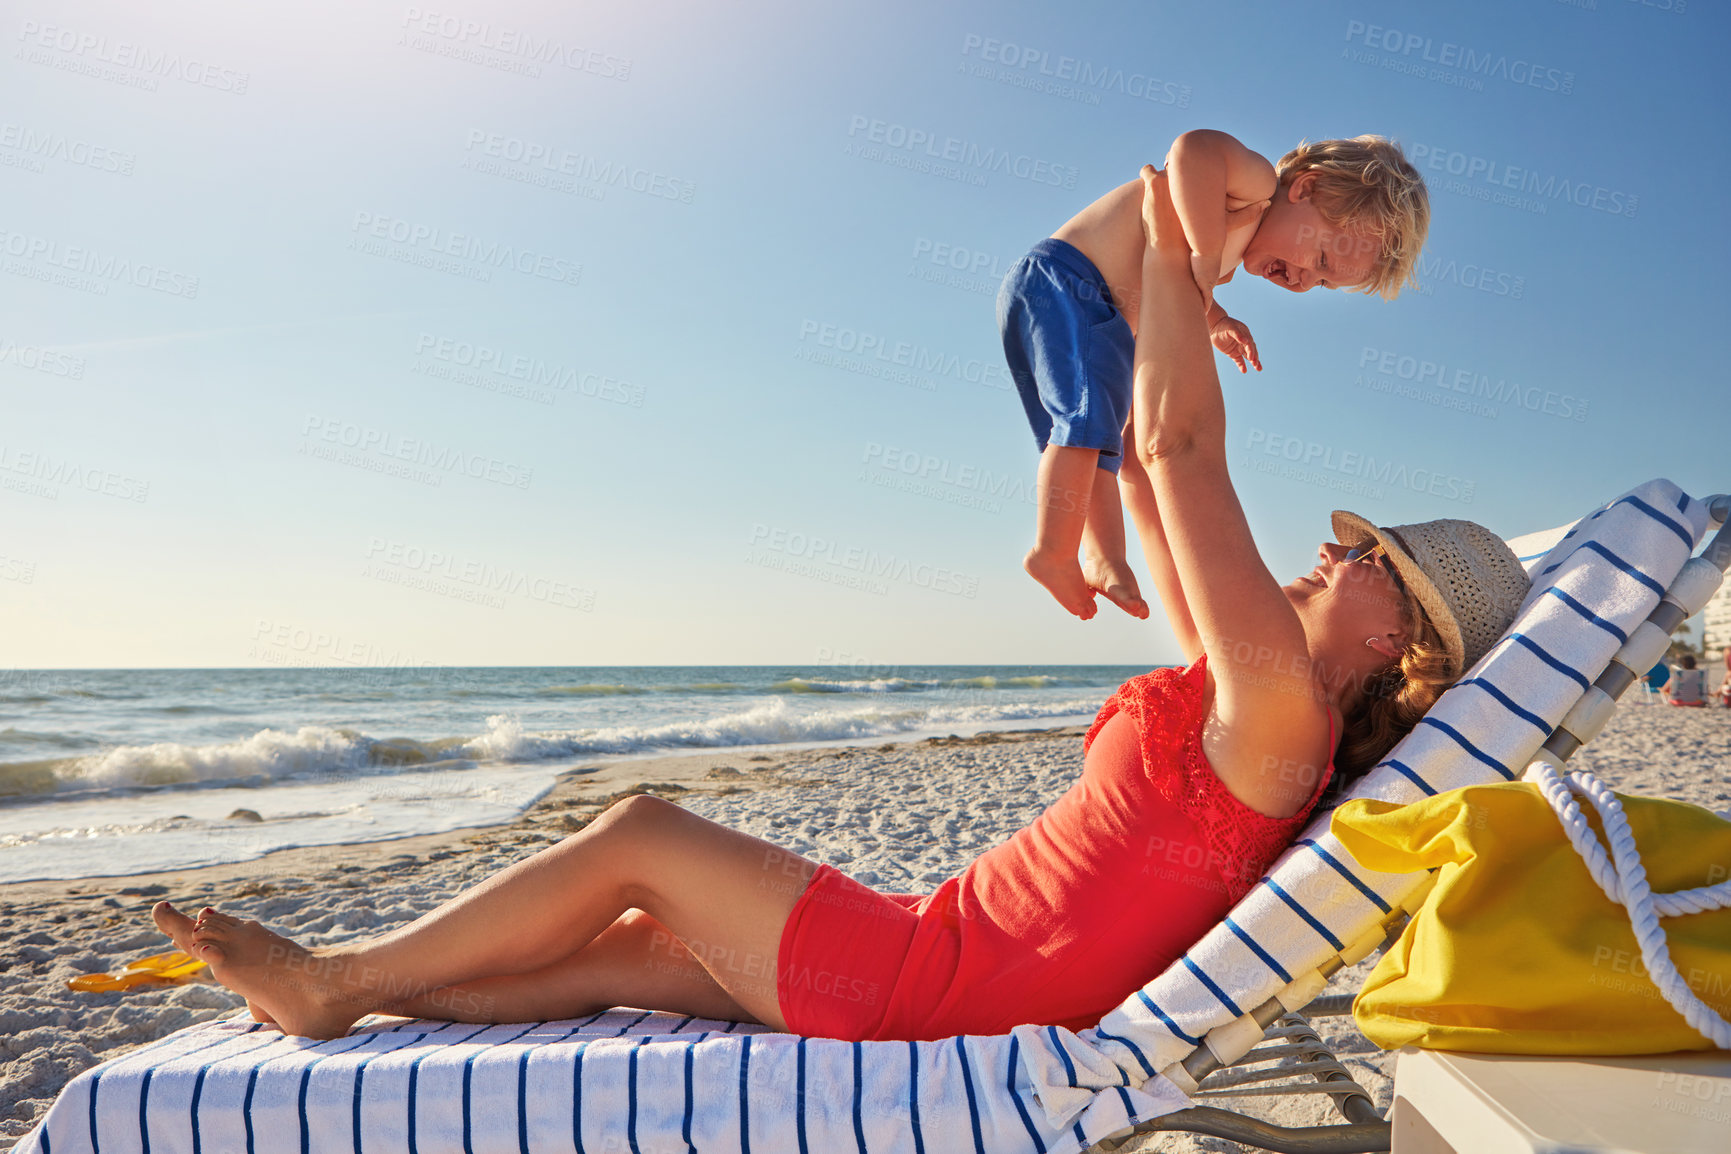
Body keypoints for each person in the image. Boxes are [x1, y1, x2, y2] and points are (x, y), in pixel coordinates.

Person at [149, 169, 1523, 1045]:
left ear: (1396, 628)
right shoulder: (1264, 707)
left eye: (1357, 557)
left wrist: (1173, 243)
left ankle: (331, 984)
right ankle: (348, 985)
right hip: (935, 945)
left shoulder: (1279, 701)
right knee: (628, 947)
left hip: (931, 981)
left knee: (637, 833)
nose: (1320, 556)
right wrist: (1150, 287)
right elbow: (1162, 502)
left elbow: (1174, 455)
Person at [1000, 131, 1430, 620]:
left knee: (1102, 442)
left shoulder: (1226, 235)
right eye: (1322, 258)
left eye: (1325, 281)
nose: (1305, 281)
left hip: (1094, 308)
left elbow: (1183, 270)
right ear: (1305, 188)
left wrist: (1217, 320)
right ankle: (1052, 551)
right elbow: (1191, 151)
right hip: (1070, 281)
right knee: (1085, 422)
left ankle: (1104, 557)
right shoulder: (1257, 183)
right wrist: (1204, 255)